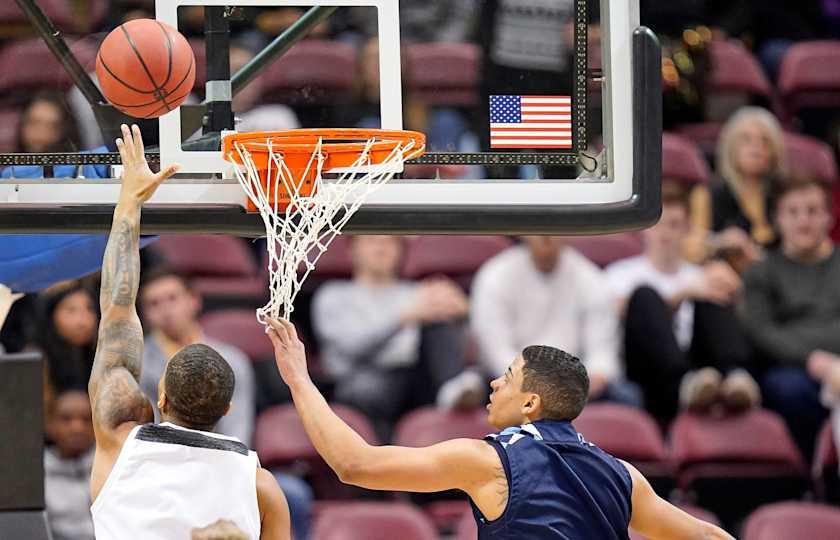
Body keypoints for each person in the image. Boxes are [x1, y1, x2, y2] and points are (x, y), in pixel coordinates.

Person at [265, 317, 734, 539]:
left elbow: (354, 464)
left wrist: (299, 379)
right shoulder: (623, 475)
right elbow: (712, 538)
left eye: (507, 376)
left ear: (530, 401)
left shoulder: (489, 462)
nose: (493, 381)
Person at [86, 124, 290, 539]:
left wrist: (130, 202)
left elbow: (117, 309)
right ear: (227, 410)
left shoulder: (122, 443)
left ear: (160, 395)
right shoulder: (261, 486)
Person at [605, 183, 758, 421]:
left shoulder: (699, 276)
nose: (665, 233)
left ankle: (736, 375)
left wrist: (733, 291)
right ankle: (686, 383)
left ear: (687, 228)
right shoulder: (620, 274)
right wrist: (681, 295)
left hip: (702, 372)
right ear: (644, 227)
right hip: (648, 373)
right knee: (645, 294)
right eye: (658, 224)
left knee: (714, 287)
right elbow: (619, 315)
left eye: (674, 225)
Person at [312, 235, 483, 440]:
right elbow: (350, 347)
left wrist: (463, 314)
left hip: (414, 380)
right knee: (370, 388)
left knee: (438, 319)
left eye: (391, 242)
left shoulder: (418, 292)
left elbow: (451, 344)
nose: (382, 247)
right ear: (352, 250)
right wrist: (403, 318)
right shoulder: (332, 294)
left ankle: (453, 387)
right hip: (357, 382)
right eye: (372, 240)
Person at [471, 236, 641, 407]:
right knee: (475, 387)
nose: (546, 235)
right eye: (539, 224)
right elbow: (496, 351)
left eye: (554, 225)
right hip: (512, 380)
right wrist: (532, 384)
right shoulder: (495, 275)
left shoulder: (590, 278)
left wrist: (588, 380)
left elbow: (602, 355)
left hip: (574, 386)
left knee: (627, 396)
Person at [742, 176, 840, 460]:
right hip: (795, 372)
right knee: (786, 388)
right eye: (793, 212)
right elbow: (761, 333)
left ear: (829, 218)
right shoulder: (761, 272)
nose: (803, 221)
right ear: (778, 219)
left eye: (812, 211)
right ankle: (813, 476)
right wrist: (815, 361)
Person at [138, 268, 256, 444]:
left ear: (194, 300)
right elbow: (146, 429)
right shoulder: (138, 363)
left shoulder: (232, 360)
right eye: (154, 303)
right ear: (144, 314)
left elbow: (238, 431)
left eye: (172, 298)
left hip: (222, 460)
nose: (165, 310)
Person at [686, 107, 787, 270]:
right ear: (731, 146)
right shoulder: (708, 194)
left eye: (765, 141)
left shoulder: (784, 193)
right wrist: (719, 242)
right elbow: (692, 251)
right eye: (746, 140)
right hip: (726, 280)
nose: (757, 148)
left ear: (775, 151)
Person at [44, 388, 96, 540]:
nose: (77, 428)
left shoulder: (113, 468)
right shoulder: (35, 476)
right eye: (66, 419)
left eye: (86, 419)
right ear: (49, 424)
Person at [38, 281, 99, 394]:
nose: (82, 322)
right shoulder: (35, 362)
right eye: (71, 310)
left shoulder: (105, 360)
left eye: (90, 309)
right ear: (52, 316)